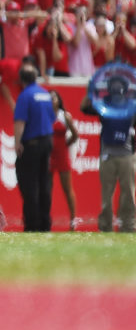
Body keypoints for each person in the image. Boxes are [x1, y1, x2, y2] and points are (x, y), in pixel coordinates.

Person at [81, 64, 136, 232]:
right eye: (114, 83)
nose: (117, 87)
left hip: (127, 154)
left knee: (128, 194)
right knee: (107, 194)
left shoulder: (132, 106)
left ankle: (128, 226)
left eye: (120, 84)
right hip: (107, 154)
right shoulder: (103, 104)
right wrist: (89, 91)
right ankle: (105, 226)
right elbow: (84, 108)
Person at [12, 63, 56, 231]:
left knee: (29, 185)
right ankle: (45, 222)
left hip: (32, 144)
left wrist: (17, 143)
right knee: (44, 183)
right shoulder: (45, 94)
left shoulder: (25, 96)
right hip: (47, 141)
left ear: (21, 79)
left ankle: (32, 223)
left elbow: (20, 122)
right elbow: (52, 118)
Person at [49, 89, 80, 230]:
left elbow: (75, 134)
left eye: (54, 98)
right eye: (49, 99)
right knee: (47, 189)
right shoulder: (44, 116)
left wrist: (65, 145)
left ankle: (73, 220)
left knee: (67, 188)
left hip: (62, 155)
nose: (52, 101)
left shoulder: (65, 116)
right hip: (48, 155)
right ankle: (46, 219)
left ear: (58, 100)